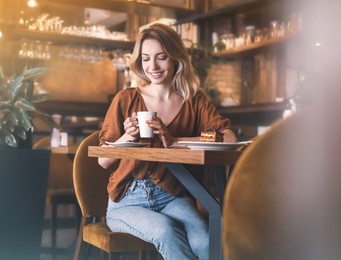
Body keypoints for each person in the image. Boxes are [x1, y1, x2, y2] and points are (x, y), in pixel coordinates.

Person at [98, 23, 237, 260]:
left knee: (204, 239)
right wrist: (127, 136)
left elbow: (230, 137)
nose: (153, 66)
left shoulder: (194, 100)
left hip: (172, 196)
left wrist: (174, 139)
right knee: (166, 231)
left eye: (161, 58)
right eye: (146, 58)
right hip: (127, 200)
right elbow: (103, 160)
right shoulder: (126, 99)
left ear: (175, 59)